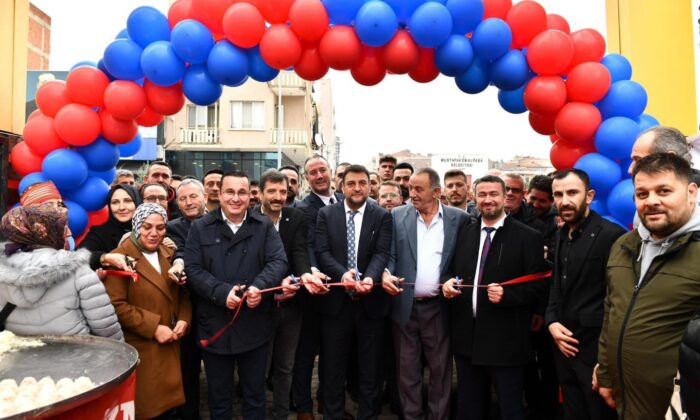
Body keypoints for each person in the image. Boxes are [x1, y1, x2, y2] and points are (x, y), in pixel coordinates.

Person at [595, 153, 700, 419]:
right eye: (642, 194)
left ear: (691, 192)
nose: (652, 201)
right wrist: (607, 375)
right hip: (627, 400)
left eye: (664, 191)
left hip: (680, 406)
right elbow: (612, 312)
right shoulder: (623, 246)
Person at [443, 175, 547, 420]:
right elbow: (451, 269)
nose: (488, 200)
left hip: (507, 341)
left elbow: (539, 283)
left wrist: (509, 295)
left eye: (493, 194)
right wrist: (449, 281)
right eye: (482, 195)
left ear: (504, 197)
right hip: (468, 339)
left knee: (510, 407)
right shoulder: (464, 232)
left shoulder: (528, 236)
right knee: (469, 407)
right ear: (474, 197)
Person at [185, 171, 288, 419]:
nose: (236, 198)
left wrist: (258, 287)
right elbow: (193, 269)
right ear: (218, 194)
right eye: (229, 192)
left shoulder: (263, 226)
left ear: (250, 196)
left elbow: (278, 261)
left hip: (255, 324)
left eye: (242, 192)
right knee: (219, 400)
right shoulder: (200, 227)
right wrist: (221, 293)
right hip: (215, 325)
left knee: (255, 396)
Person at [382, 168, 470, 420]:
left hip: (440, 307)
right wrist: (386, 273)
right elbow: (390, 255)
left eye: (419, 189)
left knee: (441, 370)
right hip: (405, 306)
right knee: (407, 371)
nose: (412, 194)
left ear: (437, 192)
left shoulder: (458, 219)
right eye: (410, 188)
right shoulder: (398, 215)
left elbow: (462, 261)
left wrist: (452, 281)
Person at [545, 169, 624, 420]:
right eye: (558, 194)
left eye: (572, 193)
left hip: (595, 352)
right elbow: (556, 287)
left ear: (589, 196)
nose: (564, 200)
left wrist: (607, 360)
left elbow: (618, 301)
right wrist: (552, 321)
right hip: (563, 347)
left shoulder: (612, 236)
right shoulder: (559, 234)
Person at [315, 164, 393, 419]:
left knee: (370, 370)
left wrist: (370, 278)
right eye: (351, 183)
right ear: (342, 186)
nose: (357, 188)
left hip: (371, 304)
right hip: (336, 305)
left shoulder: (381, 215)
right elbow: (322, 252)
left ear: (370, 186)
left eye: (362, 183)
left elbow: (382, 252)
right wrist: (342, 274)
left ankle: (368, 415)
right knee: (333, 369)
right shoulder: (326, 214)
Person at [104, 203, 192, 419]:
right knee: (149, 409)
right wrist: (153, 327)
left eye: (160, 228)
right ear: (136, 226)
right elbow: (117, 305)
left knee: (171, 408)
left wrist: (184, 319)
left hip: (171, 342)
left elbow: (183, 294)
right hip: (143, 346)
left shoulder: (169, 253)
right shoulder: (120, 257)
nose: (154, 233)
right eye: (147, 227)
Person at [255, 169, 327, 420]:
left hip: (291, 306)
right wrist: (277, 282)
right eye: (272, 191)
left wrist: (304, 275)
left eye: (283, 191)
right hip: (260, 306)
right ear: (260, 193)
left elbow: (299, 252)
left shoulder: (295, 217)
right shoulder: (250, 218)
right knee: (258, 369)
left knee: (285, 367)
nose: (277, 197)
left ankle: (281, 414)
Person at [0, 204, 123, 340]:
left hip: (20, 356)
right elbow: (105, 325)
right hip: (77, 355)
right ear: (47, 231)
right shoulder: (76, 269)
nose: (67, 232)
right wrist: (121, 356)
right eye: (62, 227)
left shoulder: (4, 266)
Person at [293, 155, 343, 418]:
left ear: (331, 172)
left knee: (333, 354)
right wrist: (313, 272)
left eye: (322, 170)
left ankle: (329, 401)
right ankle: (303, 406)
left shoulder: (345, 203)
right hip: (313, 292)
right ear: (307, 179)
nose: (319, 175)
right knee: (306, 353)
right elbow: (306, 245)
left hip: (340, 293)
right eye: (313, 172)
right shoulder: (302, 209)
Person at [167, 179, 207, 420]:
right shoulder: (171, 227)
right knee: (188, 365)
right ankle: (190, 412)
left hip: (217, 303)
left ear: (204, 197)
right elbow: (180, 253)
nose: (188, 202)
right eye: (182, 198)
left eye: (193, 196)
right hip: (186, 304)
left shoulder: (220, 221)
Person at [80, 184, 141, 271]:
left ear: (137, 202)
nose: (121, 207)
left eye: (127, 201)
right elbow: (79, 257)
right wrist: (104, 257)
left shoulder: (151, 228)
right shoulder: (100, 232)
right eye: (115, 202)